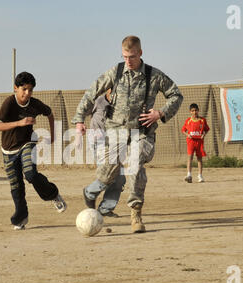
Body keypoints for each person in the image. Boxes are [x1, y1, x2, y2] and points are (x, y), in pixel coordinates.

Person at [72, 35, 183, 233]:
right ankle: (90, 192)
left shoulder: (153, 75)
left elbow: (176, 94)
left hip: (141, 132)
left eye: (131, 56)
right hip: (115, 132)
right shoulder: (115, 72)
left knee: (135, 163)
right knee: (107, 175)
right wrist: (79, 119)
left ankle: (136, 213)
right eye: (124, 56)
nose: (128, 61)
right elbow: (91, 93)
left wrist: (161, 112)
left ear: (140, 53)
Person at [0, 71, 67, 230]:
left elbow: (50, 113)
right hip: (8, 150)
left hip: (27, 143)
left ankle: (53, 194)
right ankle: (21, 217)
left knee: (31, 174)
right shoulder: (9, 103)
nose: (27, 93)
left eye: (30, 90)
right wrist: (19, 123)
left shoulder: (35, 104)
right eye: (24, 89)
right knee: (16, 185)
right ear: (15, 88)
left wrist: (53, 135)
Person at [87, 89, 125, 218]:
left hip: (113, 142)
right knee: (108, 173)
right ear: (108, 90)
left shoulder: (121, 104)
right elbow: (85, 112)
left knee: (119, 177)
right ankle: (90, 192)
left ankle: (105, 208)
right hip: (99, 141)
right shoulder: (99, 101)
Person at [181, 103, 210, 183]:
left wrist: (203, 134)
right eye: (192, 111)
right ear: (190, 111)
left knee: (199, 159)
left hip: (199, 142)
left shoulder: (202, 120)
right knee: (190, 158)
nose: (194, 112)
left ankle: (200, 176)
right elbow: (183, 130)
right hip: (191, 141)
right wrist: (188, 135)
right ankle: (189, 175)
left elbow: (206, 129)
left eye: (196, 110)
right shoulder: (188, 121)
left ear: (198, 110)